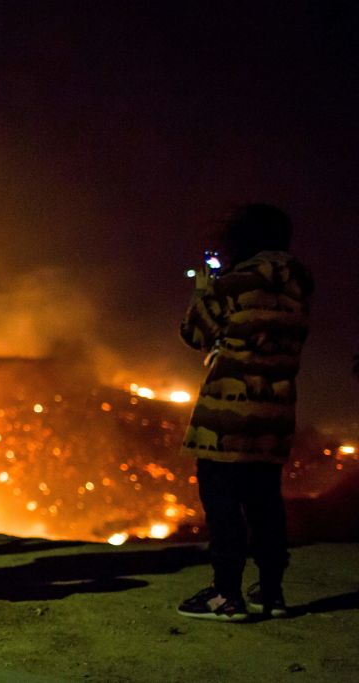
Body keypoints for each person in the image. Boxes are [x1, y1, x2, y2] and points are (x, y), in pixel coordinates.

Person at [176, 203, 313, 621]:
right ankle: (270, 592)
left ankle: (226, 594)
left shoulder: (232, 283)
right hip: (275, 413)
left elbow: (194, 332)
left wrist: (204, 283)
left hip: (226, 416)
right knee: (265, 501)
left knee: (222, 501)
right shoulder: (299, 286)